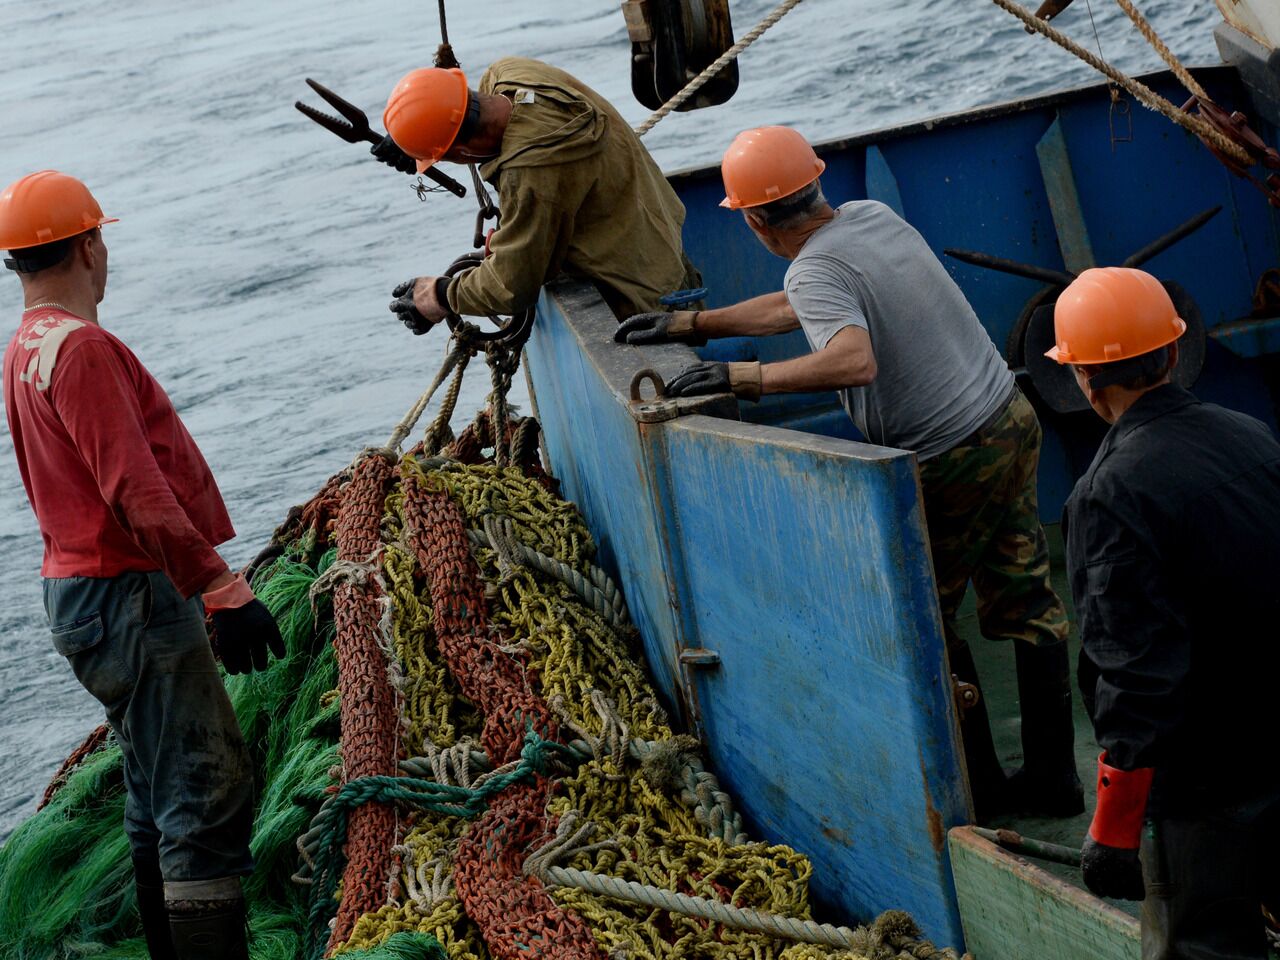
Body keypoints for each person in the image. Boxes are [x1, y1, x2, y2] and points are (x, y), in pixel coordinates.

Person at [616, 126, 1081, 820]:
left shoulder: (814, 268)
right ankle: (1054, 780)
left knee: (929, 616)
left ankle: (981, 798)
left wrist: (746, 376)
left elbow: (851, 357)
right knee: (1025, 598)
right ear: (816, 181)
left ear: (751, 220)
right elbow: (799, 304)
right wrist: (693, 326)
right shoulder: (870, 216)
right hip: (1007, 416)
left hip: (953, 455)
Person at [0, 171, 285, 959]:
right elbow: (136, 492)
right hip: (130, 596)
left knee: (154, 787)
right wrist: (222, 589)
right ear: (91, 243)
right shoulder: (82, 348)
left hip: (81, 596)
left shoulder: (25, 346)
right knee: (202, 793)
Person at [1049, 266, 1280, 958]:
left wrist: (1114, 830)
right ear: (1176, 352)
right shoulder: (1251, 434)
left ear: (1085, 382)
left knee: (1208, 944)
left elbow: (1137, 674)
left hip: (1213, 778)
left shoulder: (1107, 495)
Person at [374, 57, 694, 331]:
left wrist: (440, 295)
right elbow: (469, 117)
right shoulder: (513, 72)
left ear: (462, 152)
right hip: (664, 254)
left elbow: (511, 285)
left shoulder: (531, 178)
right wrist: (414, 139)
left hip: (644, 308)